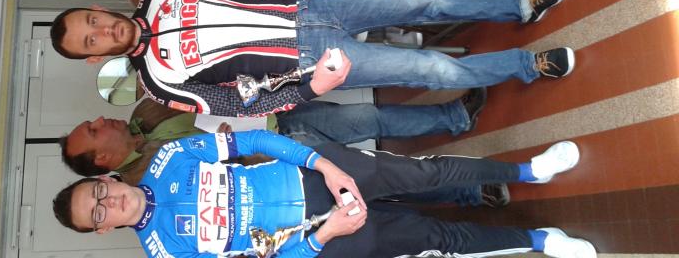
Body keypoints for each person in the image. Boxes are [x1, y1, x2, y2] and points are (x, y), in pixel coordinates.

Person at [49, 0, 575, 117]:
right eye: (91, 39)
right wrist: (307, 89)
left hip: (312, 7)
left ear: (98, 8)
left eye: (93, 19)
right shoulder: (160, 83)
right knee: (428, 70)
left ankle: (518, 5)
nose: (103, 29)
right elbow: (238, 104)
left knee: (425, 1)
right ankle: (528, 64)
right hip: (310, 61)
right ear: (94, 57)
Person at [52, 130, 596, 258]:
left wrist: (325, 165)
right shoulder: (166, 252)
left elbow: (255, 140)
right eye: (96, 214)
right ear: (102, 229)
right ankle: (539, 239)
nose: (107, 202)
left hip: (313, 176)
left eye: (98, 191)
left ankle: (530, 171)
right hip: (323, 241)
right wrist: (322, 237)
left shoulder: (170, 157)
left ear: (109, 178)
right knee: (436, 238)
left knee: (427, 176)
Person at [59, 87, 509, 208]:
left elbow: (200, 91)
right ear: (101, 160)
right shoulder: (142, 181)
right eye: (93, 131)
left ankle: (454, 116)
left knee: (369, 118)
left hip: (278, 118)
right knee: (379, 181)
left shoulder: (144, 109)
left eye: (92, 122)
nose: (101, 120)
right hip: (278, 163)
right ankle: (470, 193)